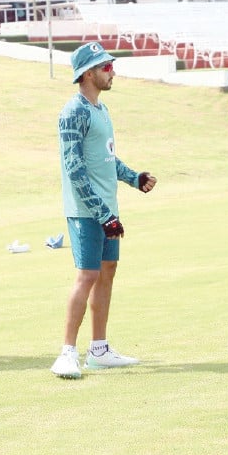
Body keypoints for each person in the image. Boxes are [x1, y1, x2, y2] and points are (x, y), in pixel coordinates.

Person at [51, 42, 157, 379]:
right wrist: (101, 213)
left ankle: (99, 349)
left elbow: (107, 160)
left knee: (107, 271)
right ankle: (67, 352)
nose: (112, 72)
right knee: (88, 275)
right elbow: (75, 168)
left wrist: (133, 178)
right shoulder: (74, 112)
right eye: (105, 67)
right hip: (86, 212)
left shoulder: (102, 110)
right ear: (87, 73)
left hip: (107, 209)